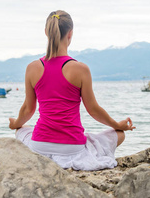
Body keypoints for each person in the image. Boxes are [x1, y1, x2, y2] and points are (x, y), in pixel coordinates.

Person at [9, 10, 135, 171]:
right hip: (72, 148)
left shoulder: (32, 68)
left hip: (39, 147)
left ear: (46, 32)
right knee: (119, 135)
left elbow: (28, 109)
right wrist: (117, 125)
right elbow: (93, 110)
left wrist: (16, 124)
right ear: (70, 34)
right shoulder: (80, 69)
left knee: (22, 130)